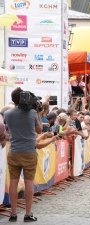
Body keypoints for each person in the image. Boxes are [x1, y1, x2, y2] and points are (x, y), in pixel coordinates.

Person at [4, 87, 43, 222]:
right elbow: (39, 131)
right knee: (28, 182)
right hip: (29, 152)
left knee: (13, 182)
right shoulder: (32, 113)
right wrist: (38, 113)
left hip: (14, 151)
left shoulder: (8, 114)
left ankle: (13, 213)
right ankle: (28, 214)